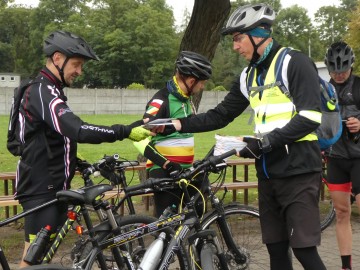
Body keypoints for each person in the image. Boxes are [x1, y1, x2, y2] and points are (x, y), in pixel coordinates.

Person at [154, 3, 327, 270]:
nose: (235, 46)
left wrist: (266, 142)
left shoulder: (295, 62)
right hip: (268, 172)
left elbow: (310, 117)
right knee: (276, 251)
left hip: (300, 171)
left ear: (259, 34)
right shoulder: (249, 75)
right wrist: (176, 123)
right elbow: (220, 114)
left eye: (238, 38)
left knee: (304, 249)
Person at [16, 30, 152, 268]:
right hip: (41, 189)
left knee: (39, 258)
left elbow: (50, 139)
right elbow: (77, 130)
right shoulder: (42, 91)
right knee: (33, 262)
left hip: (51, 185)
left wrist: (78, 163)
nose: (80, 71)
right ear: (58, 58)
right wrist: (124, 131)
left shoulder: (50, 90)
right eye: (77, 64)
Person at [134, 51, 212, 217]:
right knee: (167, 224)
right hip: (164, 171)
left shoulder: (185, 100)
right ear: (191, 81)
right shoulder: (162, 100)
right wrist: (167, 164)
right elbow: (139, 140)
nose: (202, 87)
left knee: (196, 216)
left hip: (185, 171)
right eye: (202, 83)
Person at [324, 41, 360, 270]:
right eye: (335, 71)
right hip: (335, 158)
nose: (339, 75)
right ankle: (346, 266)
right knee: (342, 213)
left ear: (351, 66)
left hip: (359, 157)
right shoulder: (322, 89)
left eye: (343, 70)